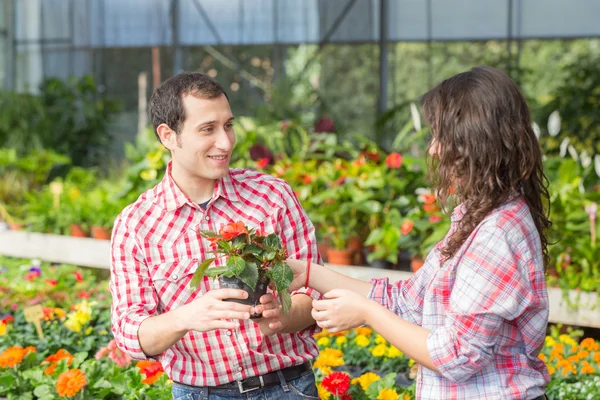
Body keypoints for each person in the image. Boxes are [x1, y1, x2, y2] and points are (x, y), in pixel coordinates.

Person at [287, 66, 551, 400]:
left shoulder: (497, 233)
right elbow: (409, 301)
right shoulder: (476, 215)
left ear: (474, 141)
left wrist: (366, 314)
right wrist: (309, 273)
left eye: (442, 138)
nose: (434, 150)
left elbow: (458, 356)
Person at [110, 72, 322, 400]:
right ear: (168, 136)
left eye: (228, 125)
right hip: (201, 393)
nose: (225, 142)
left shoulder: (272, 196)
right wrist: (186, 317)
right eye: (207, 129)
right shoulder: (137, 225)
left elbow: (315, 294)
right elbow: (129, 333)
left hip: (287, 387)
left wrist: (282, 312)